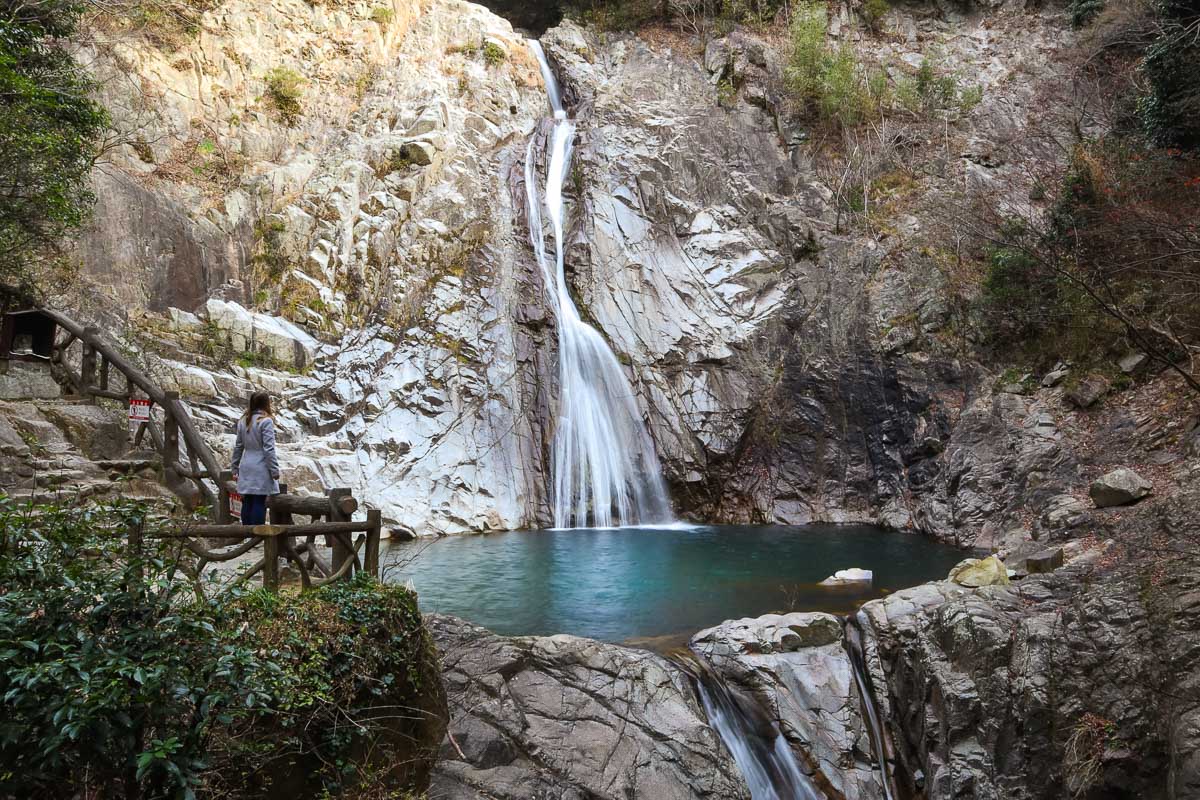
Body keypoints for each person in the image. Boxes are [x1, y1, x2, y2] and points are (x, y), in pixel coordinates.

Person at [231, 392, 280, 525]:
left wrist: (234, 467)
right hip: (261, 466)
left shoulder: (243, 421)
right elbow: (269, 449)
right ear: (266, 403)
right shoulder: (266, 421)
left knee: (247, 500)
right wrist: (275, 470)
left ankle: (247, 534)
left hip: (246, 465)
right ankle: (257, 537)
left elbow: (238, 447)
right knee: (259, 500)